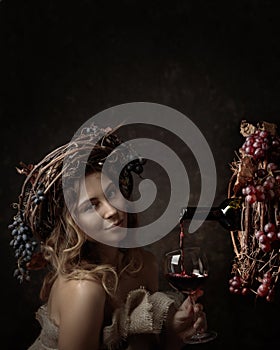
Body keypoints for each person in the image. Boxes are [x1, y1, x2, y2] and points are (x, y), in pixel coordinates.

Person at [9, 122, 207, 350]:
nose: (111, 210)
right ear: (71, 224)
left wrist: (174, 333)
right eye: (91, 206)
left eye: (112, 193)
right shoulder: (85, 290)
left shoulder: (144, 265)